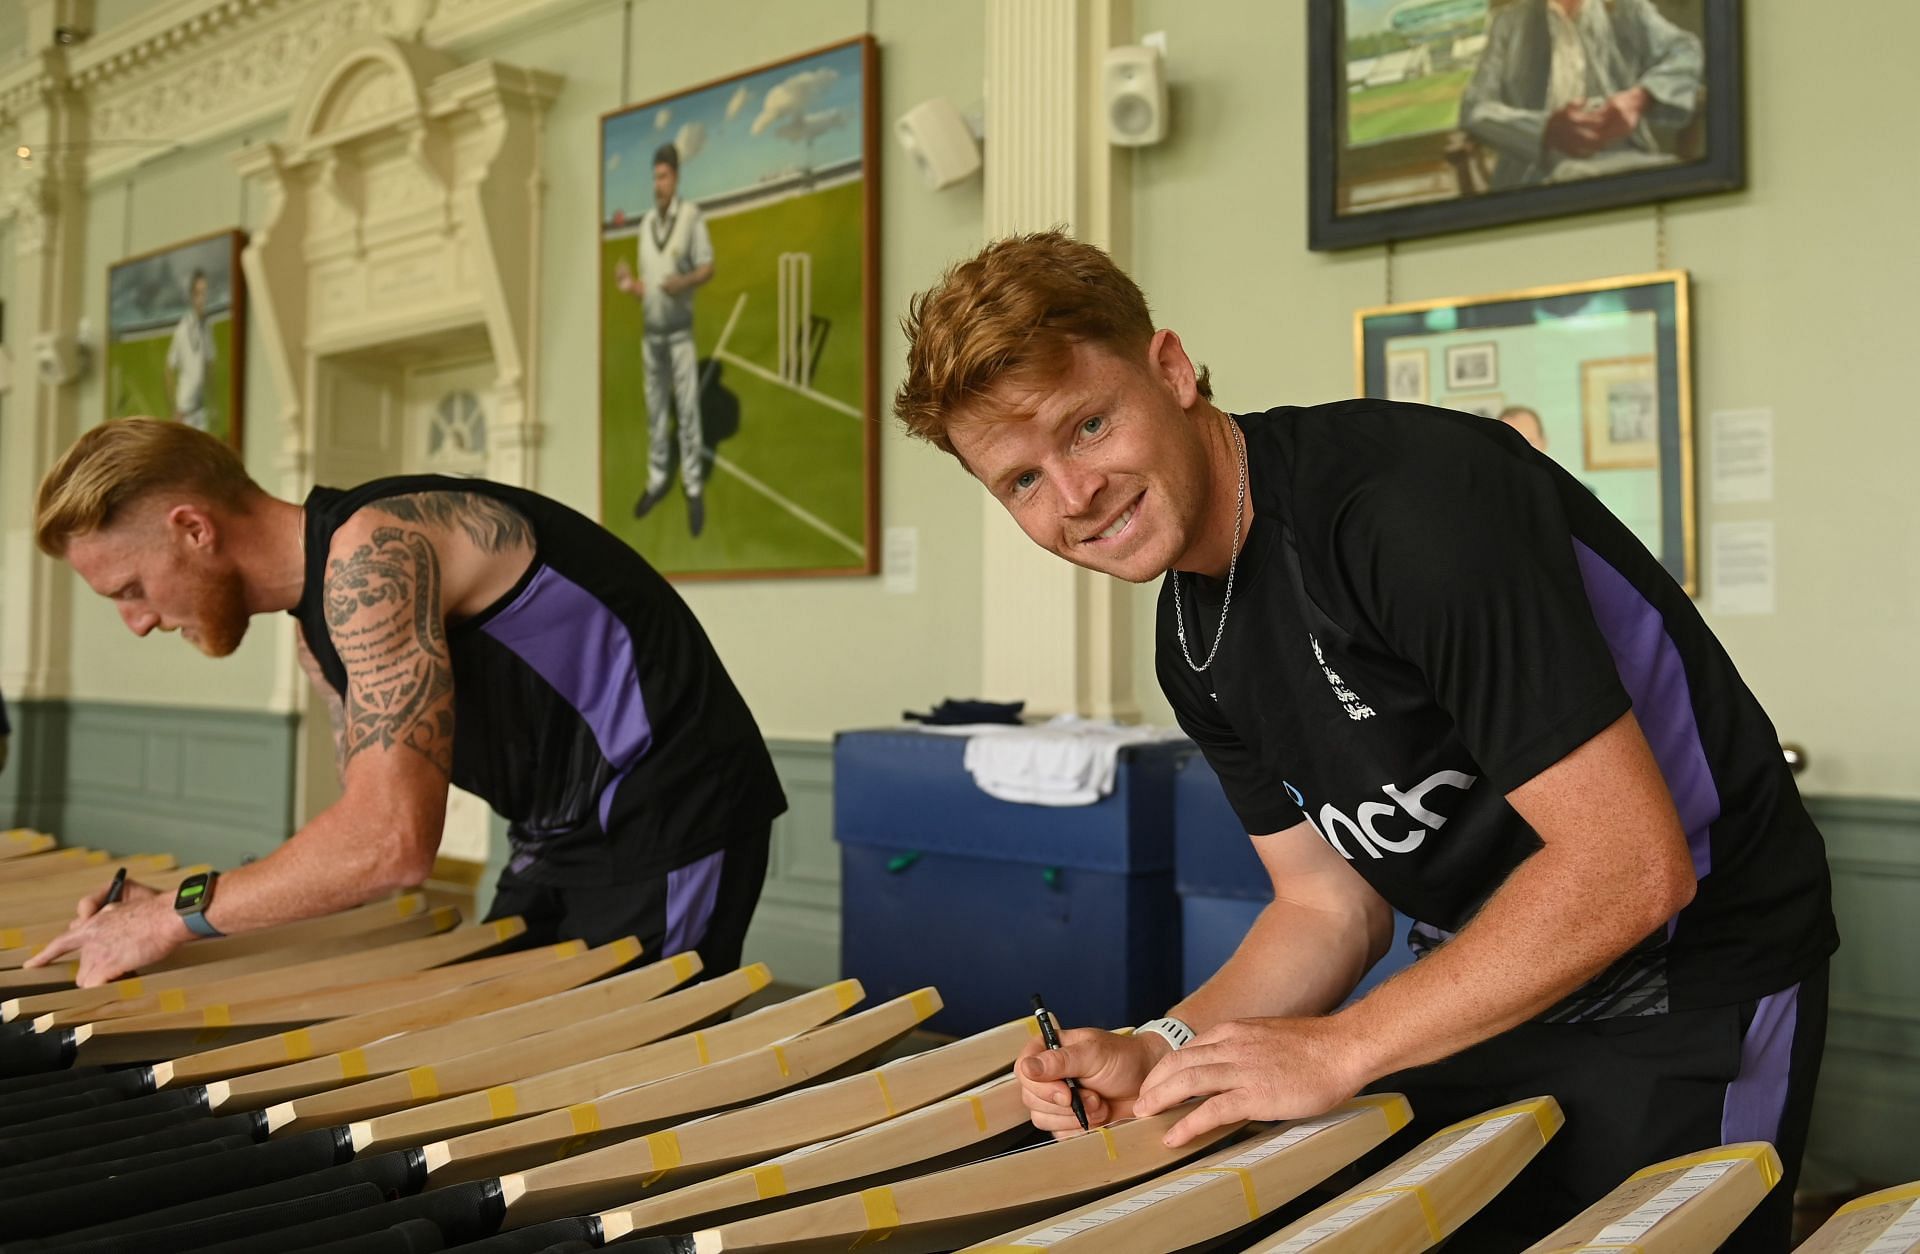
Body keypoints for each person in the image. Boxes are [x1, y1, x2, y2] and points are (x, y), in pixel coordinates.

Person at [893, 231, 1835, 1253]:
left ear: (1170, 371)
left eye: (1088, 425)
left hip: (1697, 976)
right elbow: (1328, 907)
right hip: (1491, 980)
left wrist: (1344, 1046)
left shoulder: (1402, 512)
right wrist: (1165, 1046)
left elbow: (1628, 868)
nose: (1075, 495)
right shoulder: (1190, 637)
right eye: (1022, 481)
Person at [26, 418, 786, 987]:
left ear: (192, 528)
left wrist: (171, 918)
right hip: (558, 835)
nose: (138, 622)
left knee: (619, 1091)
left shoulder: (372, 552)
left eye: (130, 590)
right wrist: (184, 905)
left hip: (672, 816)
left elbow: (389, 849)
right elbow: (353, 842)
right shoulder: (316, 632)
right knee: (501, 1052)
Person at [1460, 0, 1703, 190]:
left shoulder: (1628, 9)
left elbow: (1686, 52)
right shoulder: (1509, 23)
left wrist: (1639, 98)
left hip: (1621, 163)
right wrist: (1545, 131)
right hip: (1533, 178)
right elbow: (1475, 108)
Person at [614, 142, 716, 537]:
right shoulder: (644, 227)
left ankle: (692, 485)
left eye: (663, 176)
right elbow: (648, 287)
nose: (657, 184)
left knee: (687, 411)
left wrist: (683, 282)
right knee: (656, 413)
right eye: (654, 177)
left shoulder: (690, 218)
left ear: (675, 177)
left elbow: (707, 267)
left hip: (678, 334)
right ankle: (658, 480)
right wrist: (629, 286)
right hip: (651, 336)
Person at [164, 269, 215, 432]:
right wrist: (175, 408)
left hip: (201, 410)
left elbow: (209, 365)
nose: (202, 299)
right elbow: (168, 369)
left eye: (205, 293)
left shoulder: (206, 327)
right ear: (193, 296)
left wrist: (214, 404)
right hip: (184, 412)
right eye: (199, 293)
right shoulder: (183, 329)